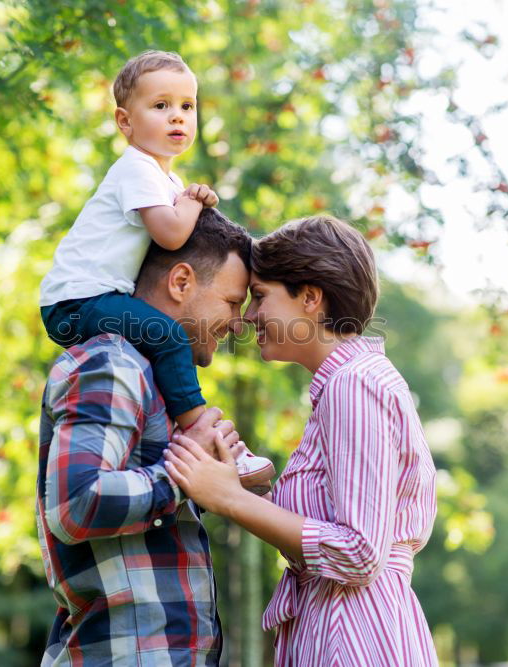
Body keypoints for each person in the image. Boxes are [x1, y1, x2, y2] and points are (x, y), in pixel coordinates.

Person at [164, 215, 440, 666]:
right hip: (338, 628)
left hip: (355, 637)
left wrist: (230, 499)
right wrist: (242, 483)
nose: (248, 318)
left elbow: (358, 552)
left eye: (260, 297)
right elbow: (332, 532)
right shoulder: (343, 388)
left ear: (310, 298)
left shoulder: (355, 385)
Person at [37, 209, 263, 666]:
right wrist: (187, 470)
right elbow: (76, 505)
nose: (239, 323)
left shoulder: (152, 380)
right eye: (232, 302)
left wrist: (216, 481)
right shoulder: (111, 364)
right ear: (181, 282)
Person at [38, 49, 272, 489]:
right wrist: (190, 201)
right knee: (165, 334)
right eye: (161, 106)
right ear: (125, 122)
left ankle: (191, 442)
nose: (177, 117)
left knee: (157, 345)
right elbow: (170, 236)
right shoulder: (136, 168)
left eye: (187, 106)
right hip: (76, 301)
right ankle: (199, 426)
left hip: (96, 299)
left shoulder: (163, 179)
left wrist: (188, 197)